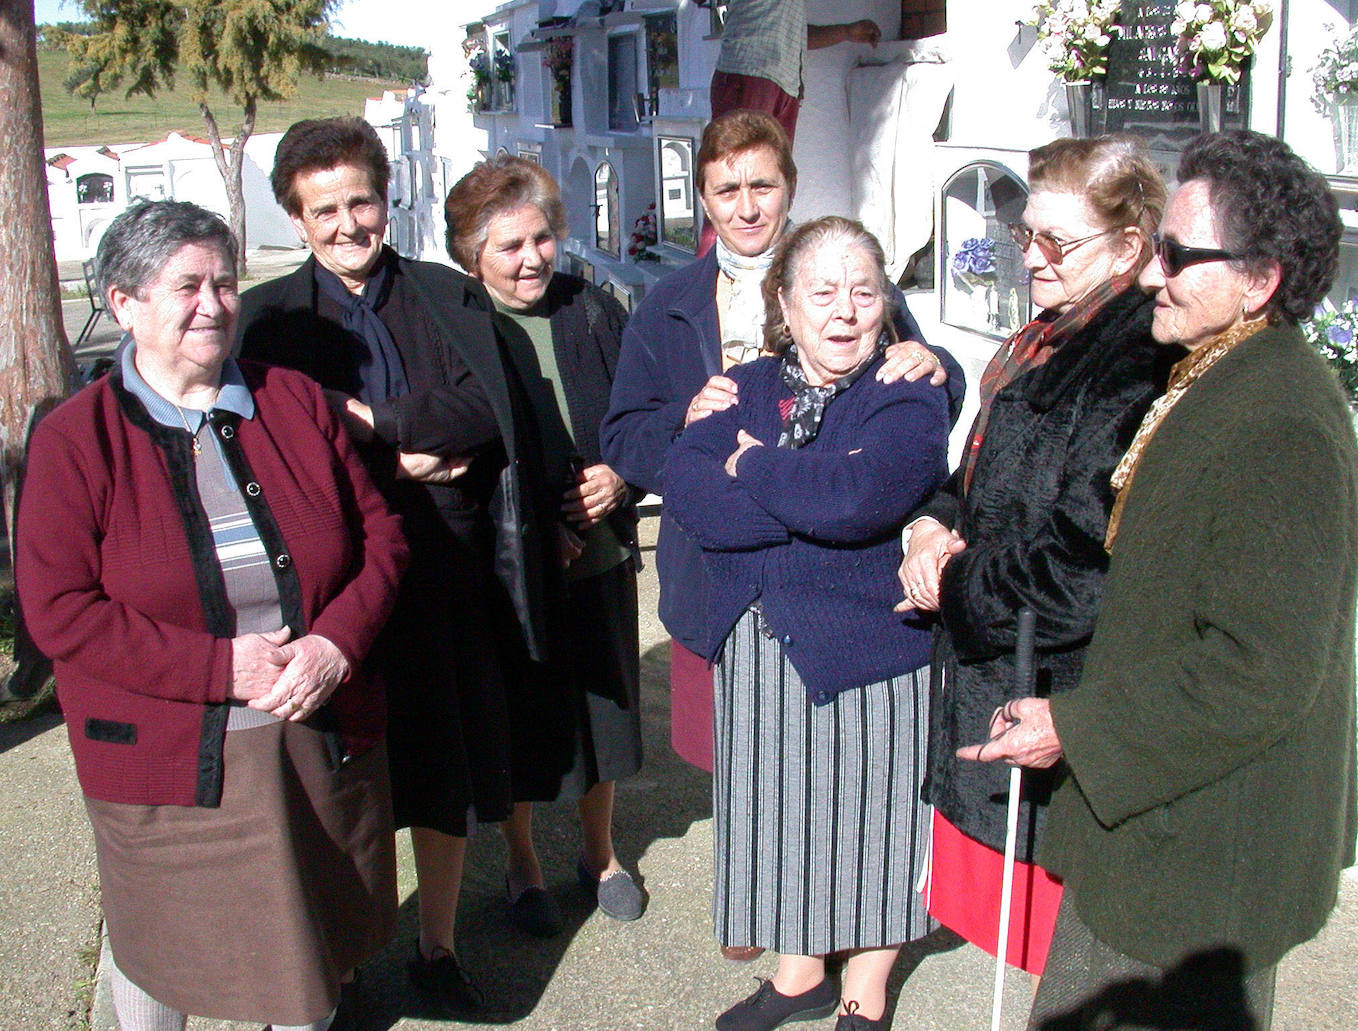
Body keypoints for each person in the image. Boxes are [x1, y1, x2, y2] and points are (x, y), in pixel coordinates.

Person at [963, 130, 1358, 1031]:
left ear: (1260, 280)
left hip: (1197, 859)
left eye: (1178, 255)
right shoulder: (1225, 370)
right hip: (1162, 828)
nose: (1150, 274)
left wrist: (1077, 724)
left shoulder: (1281, 421)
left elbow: (1259, 669)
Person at [15, 200, 407, 1031]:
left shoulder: (292, 400)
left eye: (225, 283)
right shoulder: (74, 440)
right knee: (163, 953)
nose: (214, 303)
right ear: (122, 303)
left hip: (312, 732)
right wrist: (222, 667)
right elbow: (59, 611)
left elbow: (383, 537)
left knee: (310, 950)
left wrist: (336, 644)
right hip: (166, 765)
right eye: (186, 285)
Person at [237, 117, 571, 1012]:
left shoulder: (445, 295)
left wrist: (373, 423)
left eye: (362, 200)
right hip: (334, 587)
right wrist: (405, 456)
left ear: (388, 197)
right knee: (343, 784)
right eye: (324, 209)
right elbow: (273, 448)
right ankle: (343, 966)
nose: (348, 223)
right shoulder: (267, 319)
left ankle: (437, 947)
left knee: (445, 773)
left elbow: (484, 412)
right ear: (295, 217)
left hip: (448, 572)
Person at [601, 110, 959, 798]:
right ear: (703, 200)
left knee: (832, 774)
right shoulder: (667, 305)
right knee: (738, 771)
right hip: (717, 565)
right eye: (726, 190)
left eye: (761, 186)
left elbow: (913, 384)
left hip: (840, 573)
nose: (745, 206)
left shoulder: (845, 271)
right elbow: (623, 434)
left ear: (789, 187)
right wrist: (690, 420)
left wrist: (937, 360)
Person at [662, 217, 952, 1031]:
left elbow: (864, 499)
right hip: (760, 645)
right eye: (821, 292)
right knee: (779, 814)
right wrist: (814, 505)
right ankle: (798, 976)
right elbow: (690, 495)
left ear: (885, 301)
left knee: (877, 817)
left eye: (863, 291)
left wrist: (753, 464)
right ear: (785, 304)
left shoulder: (907, 386)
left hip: (869, 645)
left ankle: (866, 986)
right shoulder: (746, 384)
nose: (844, 311)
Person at [895, 136, 1174, 978]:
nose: (1034, 258)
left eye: (1060, 242)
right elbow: (973, 479)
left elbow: (1084, 569)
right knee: (1027, 961)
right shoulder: (1044, 335)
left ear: (1130, 246)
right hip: (993, 668)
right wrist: (927, 526)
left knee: (1075, 960)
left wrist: (954, 584)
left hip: (1054, 689)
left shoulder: (1136, 358)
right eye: (1027, 236)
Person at [443, 155, 648, 929]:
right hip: (512, 566)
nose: (532, 259)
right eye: (508, 246)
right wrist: (535, 518)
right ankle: (522, 861)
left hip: (597, 555)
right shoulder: (459, 327)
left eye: (541, 238)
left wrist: (622, 476)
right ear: (472, 254)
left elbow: (642, 411)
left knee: (605, 716)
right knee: (523, 719)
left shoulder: (592, 309)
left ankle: (599, 853)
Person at [708, 0, 880, 142]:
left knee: (774, 178)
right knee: (739, 169)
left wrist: (846, 32)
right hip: (750, 72)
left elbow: (795, 37)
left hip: (786, 86)